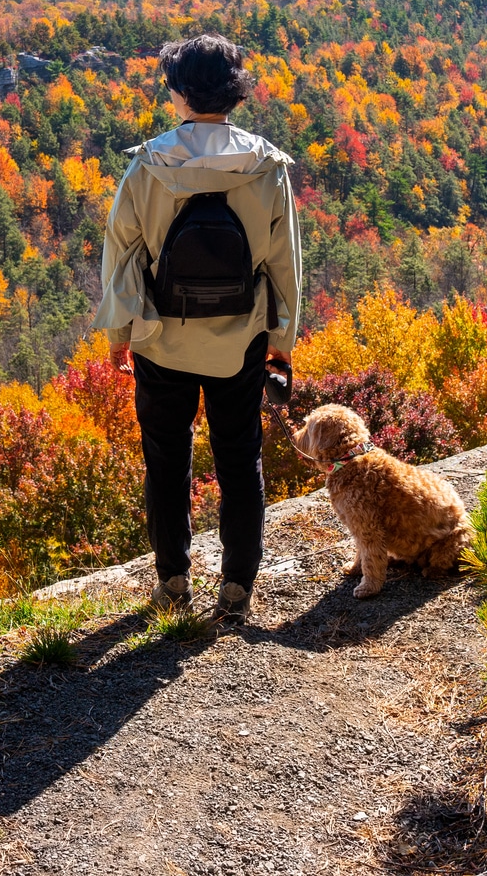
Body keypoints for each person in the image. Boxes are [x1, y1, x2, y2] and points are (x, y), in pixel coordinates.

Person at [95, 33, 301, 622]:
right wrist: (280, 344)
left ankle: (173, 581)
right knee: (240, 457)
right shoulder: (266, 166)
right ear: (232, 92)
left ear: (180, 92)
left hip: (162, 337)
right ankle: (237, 586)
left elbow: (123, 255)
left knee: (166, 457)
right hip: (243, 339)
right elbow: (284, 262)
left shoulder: (149, 164)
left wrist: (120, 335)